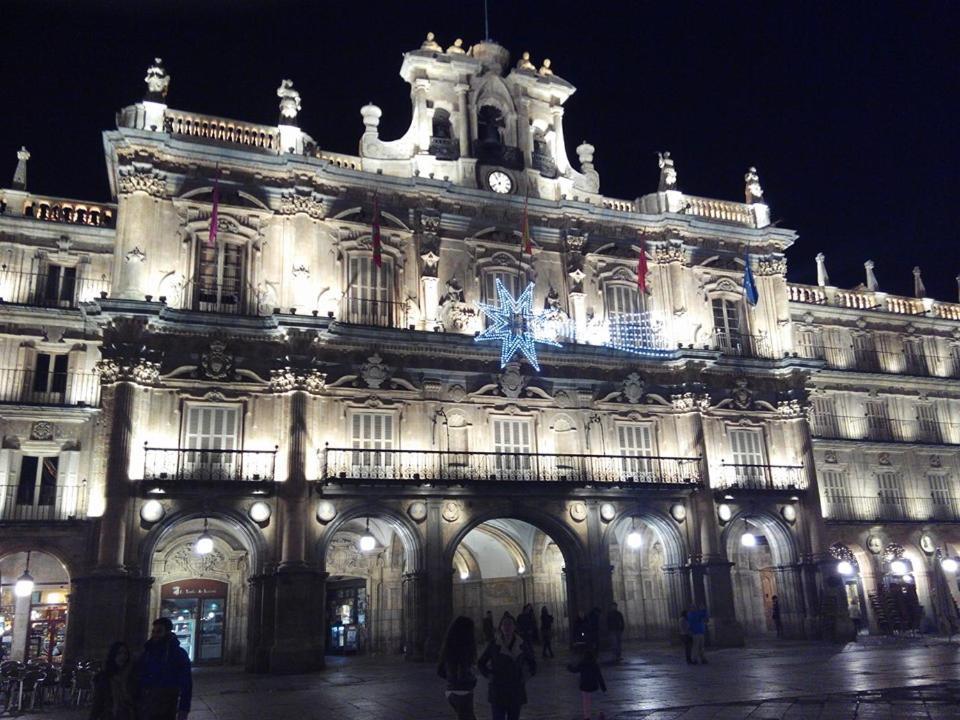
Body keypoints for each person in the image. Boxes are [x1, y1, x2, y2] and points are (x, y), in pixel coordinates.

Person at [478, 612, 536, 720]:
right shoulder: (494, 644)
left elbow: (532, 663)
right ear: (500, 627)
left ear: (514, 627)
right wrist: (488, 675)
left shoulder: (522, 644)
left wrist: (525, 676)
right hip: (498, 689)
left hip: (515, 688)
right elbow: (481, 662)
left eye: (510, 624)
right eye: (504, 624)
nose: (507, 627)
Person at [139, 617, 192, 720]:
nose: (155, 635)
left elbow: (186, 684)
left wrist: (183, 710)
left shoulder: (178, 654)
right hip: (147, 703)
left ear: (167, 632)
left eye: (159, 631)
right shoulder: (147, 652)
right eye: (153, 631)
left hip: (167, 705)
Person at [437, 616, 478, 720]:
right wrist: (473, 680)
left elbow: (440, 671)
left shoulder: (448, 647)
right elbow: (463, 675)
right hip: (463, 693)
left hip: (450, 692)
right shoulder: (464, 650)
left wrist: (451, 679)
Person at [89, 641, 138, 720]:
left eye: (125, 653)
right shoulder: (105, 677)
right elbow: (98, 702)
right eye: (119, 653)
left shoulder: (132, 676)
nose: (122, 656)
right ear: (113, 655)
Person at [567, 648, 606, 720]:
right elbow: (599, 676)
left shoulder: (582, 663)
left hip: (584, 686)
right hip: (593, 686)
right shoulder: (594, 664)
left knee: (586, 703)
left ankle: (587, 717)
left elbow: (574, 670)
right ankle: (600, 714)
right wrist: (603, 687)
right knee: (596, 701)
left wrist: (569, 667)